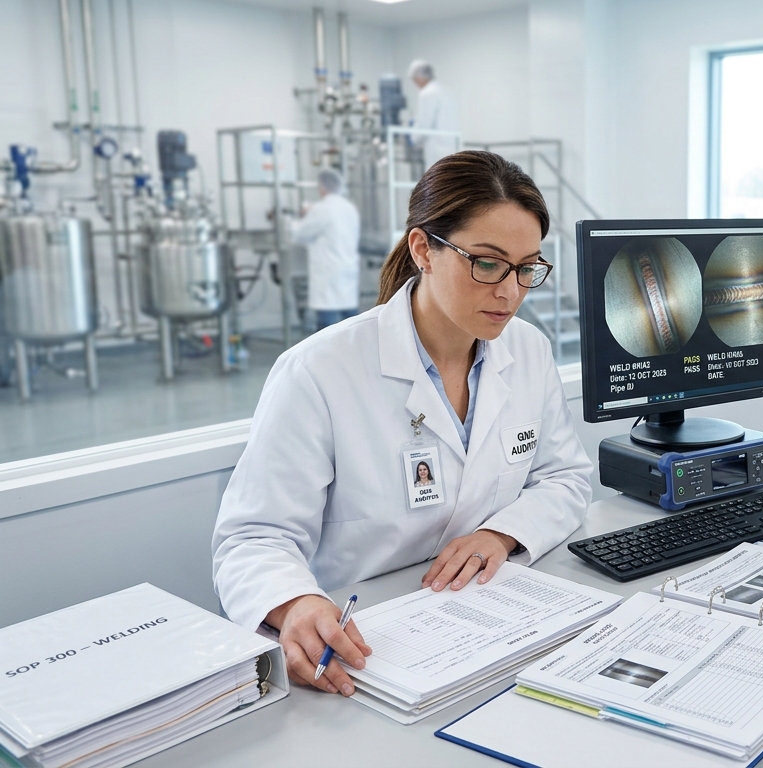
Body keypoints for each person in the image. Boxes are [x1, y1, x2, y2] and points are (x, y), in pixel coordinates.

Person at [212, 150, 591, 698]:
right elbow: (252, 537)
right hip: (361, 648)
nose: (510, 291)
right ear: (423, 249)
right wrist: (295, 603)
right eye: (487, 263)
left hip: (489, 625)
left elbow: (565, 478)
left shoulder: (527, 349)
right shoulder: (320, 370)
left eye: (527, 267)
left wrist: (501, 534)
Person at [289, 169, 361, 330]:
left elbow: (300, 233)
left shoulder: (321, 209)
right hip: (348, 269)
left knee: (327, 328)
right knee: (354, 324)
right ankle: (360, 354)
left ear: (321, 187)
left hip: (328, 273)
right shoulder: (349, 208)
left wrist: (293, 221)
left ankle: (330, 355)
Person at [408, 59, 460, 170]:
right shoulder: (446, 91)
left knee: (437, 182)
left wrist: (413, 140)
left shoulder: (427, 93)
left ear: (419, 77)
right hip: (453, 147)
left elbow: (424, 125)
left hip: (436, 149)